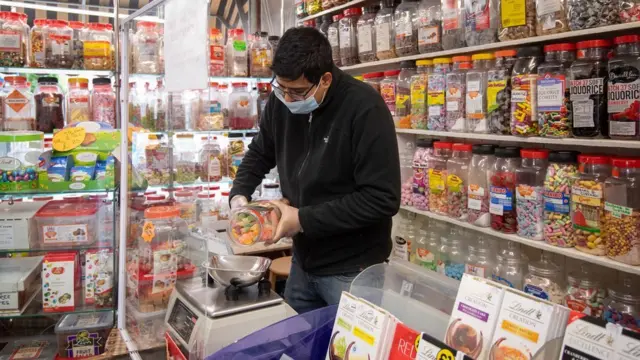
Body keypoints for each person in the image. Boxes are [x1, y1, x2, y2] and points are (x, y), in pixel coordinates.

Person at [229, 27, 401, 314]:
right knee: (300, 348)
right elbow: (260, 151)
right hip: (304, 261)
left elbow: (381, 198)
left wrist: (302, 218)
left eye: (297, 91)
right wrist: (239, 196)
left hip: (353, 270)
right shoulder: (282, 99)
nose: (288, 98)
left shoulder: (364, 108)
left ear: (325, 79)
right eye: (280, 88)